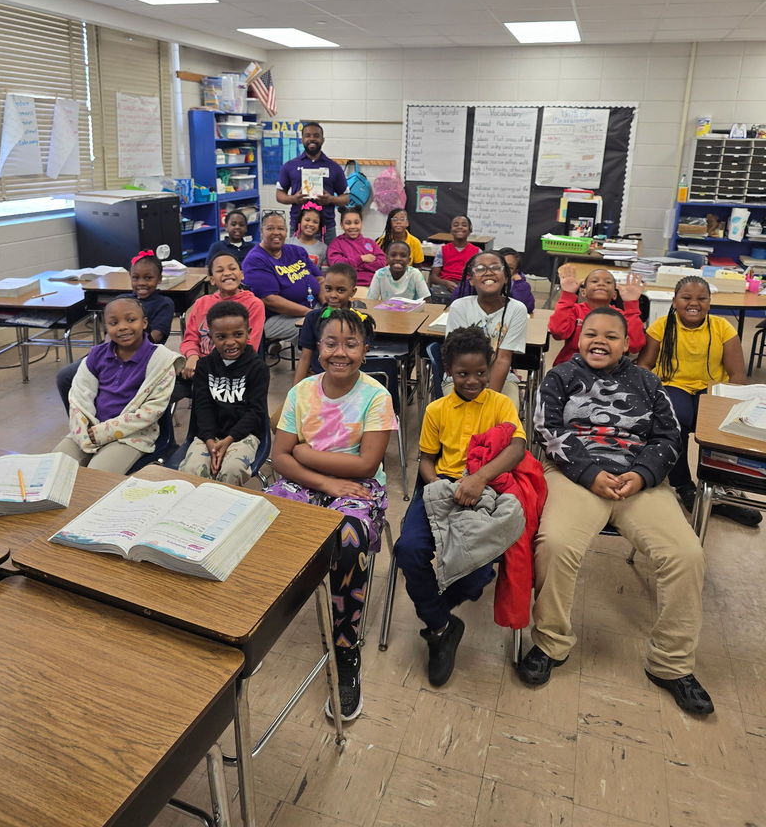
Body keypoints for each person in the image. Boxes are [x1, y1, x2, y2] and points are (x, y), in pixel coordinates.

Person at [521, 306, 713, 716]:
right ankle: (550, 643)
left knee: (686, 554)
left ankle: (671, 664)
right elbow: (546, 428)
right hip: (576, 475)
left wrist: (643, 475)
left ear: (628, 344)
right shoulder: (561, 378)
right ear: (578, 337)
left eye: (611, 336)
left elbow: (669, 435)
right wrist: (590, 472)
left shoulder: (647, 381)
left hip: (638, 482)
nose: (599, 341)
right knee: (554, 542)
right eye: (591, 333)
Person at [266, 308, 396, 721]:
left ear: (366, 349)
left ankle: (345, 646)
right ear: (317, 347)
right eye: (331, 343)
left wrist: (304, 453)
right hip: (313, 480)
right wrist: (320, 480)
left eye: (351, 344)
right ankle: (259, 617)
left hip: (357, 487)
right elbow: (278, 457)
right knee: (265, 517)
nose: (340, 352)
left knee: (349, 536)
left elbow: (364, 465)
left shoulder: (376, 395)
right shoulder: (302, 391)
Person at [395, 326, 527, 686]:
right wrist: (438, 487)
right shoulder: (437, 409)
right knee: (408, 549)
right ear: (449, 372)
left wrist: (479, 478)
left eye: (480, 373)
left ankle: (437, 616)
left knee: (479, 564)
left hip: (484, 490)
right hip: (441, 488)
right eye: (462, 374)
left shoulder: (501, 404)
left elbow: (516, 448)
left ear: (489, 369)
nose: (472, 381)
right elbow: (425, 459)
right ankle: (442, 625)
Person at [637, 275, 759, 527]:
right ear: (674, 301)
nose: (694, 303)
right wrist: (651, 397)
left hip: (712, 387)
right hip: (673, 384)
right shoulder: (661, 326)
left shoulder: (722, 327)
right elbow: (645, 366)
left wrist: (730, 409)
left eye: (702, 298)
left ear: (710, 302)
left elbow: (737, 375)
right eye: (686, 298)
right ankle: (683, 484)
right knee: (676, 419)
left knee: (717, 426)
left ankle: (722, 487)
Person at [53, 295, 182, 472]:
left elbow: (151, 412)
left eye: (131, 320)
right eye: (114, 323)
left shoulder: (160, 360)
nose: (122, 327)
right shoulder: (97, 355)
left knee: (95, 476)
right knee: (53, 469)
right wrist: (82, 429)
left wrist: (104, 432)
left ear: (144, 323)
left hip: (131, 435)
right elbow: (78, 396)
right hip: (91, 429)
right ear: (106, 328)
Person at [55, 250, 175, 413]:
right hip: (111, 354)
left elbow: (156, 336)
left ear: (159, 279)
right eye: (135, 277)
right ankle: (82, 422)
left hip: (143, 358)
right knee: (65, 377)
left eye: (148, 278)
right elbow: (108, 331)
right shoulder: (121, 300)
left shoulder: (164, 303)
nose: (141, 283)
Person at [179, 300, 269, 488]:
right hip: (208, 435)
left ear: (248, 334)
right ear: (211, 337)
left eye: (238, 334)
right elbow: (202, 409)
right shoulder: (204, 366)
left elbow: (255, 412)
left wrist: (228, 441)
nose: (230, 342)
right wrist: (211, 442)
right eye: (221, 336)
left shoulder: (257, 367)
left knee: (231, 470)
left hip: (244, 435)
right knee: (192, 471)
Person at [445, 250, 528, 400]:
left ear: (506, 278)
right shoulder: (459, 307)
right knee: (460, 414)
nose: (489, 272)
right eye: (481, 268)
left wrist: (489, 401)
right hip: (461, 375)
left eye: (496, 268)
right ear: (471, 280)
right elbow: (459, 357)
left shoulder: (517, 310)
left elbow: (503, 359)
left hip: (500, 376)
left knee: (507, 413)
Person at [180, 252, 265, 385]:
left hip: (235, 366)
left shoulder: (254, 304)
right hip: (200, 365)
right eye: (220, 270)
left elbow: (250, 345)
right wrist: (192, 356)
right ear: (212, 279)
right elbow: (190, 338)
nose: (227, 273)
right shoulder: (201, 303)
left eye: (232, 268)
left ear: (241, 274)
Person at [242, 211, 323, 347]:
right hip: (275, 318)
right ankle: (313, 366)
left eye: (281, 228)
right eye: (270, 228)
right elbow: (271, 300)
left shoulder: (296, 251)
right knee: (322, 328)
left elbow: (320, 279)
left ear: (286, 231)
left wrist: (327, 305)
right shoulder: (255, 260)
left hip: (312, 306)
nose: (276, 232)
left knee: (339, 317)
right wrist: (311, 314)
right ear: (261, 232)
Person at [548, 264, 645, 366]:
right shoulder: (575, 310)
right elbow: (558, 332)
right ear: (583, 292)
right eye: (594, 281)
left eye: (608, 282)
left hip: (609, 370)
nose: (601, 284)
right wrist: (567, 295)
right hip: (572, 368)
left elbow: (635, 346)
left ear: (614, 295)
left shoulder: (620, 316)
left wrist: (631, 305)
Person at [275, 121, 349, 243]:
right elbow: (279, 195)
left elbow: (346, 198)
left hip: (326, 228)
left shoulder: (334, 167)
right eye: (308, 135)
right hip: (298, 226)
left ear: (322, 139)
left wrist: (331, 199)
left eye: (316, 135)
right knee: (296, 262)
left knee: (328, 261)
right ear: (302, 139)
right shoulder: (290, 166)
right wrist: (294, 199)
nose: (312, 139)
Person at [293, 263, 358, 384]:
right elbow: (305, 358)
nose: (333, 295)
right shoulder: (312, 318)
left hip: (349, 381)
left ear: (352, 292)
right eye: (328, 289)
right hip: (319, 379)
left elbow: (359, 359)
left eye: (340, 290)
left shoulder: (358, 320)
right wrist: (294, 394)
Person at [450, 248, 535, 313]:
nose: (504, 271)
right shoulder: (478, 280)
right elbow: (456, 302)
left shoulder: (518, 285)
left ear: (516, 272)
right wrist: (474, 281)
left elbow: (527, 308)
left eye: (509, 268)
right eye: (496, 267)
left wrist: (519, 284)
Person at [327, 207, 386, 287]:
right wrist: (361, 259)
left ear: (361, 223)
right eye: (348, 223)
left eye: (356, 222)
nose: (353, 226)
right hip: (347, 287)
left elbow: (382, 264)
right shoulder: (336, 243)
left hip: (373, 286)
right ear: (342, 225)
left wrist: (354, 265)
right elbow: (337, 266)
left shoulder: (370, 243)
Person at [428, 215, 481, 299]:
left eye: (464, 225)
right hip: (445, 287)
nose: (460, 227)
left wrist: (465, 286)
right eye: (456, 225)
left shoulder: (477, 252)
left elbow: (479, 276)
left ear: (470, 230)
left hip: (467, 287)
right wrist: (446, 283)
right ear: (451, 230)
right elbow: (433, 277)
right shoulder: (442, 250)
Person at [286, 202, 327, 269]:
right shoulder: (288, 243)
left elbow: (324, 275)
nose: (311, 224)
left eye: (315, 222)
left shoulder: (323, 248)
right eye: (307, 220)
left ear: (319, 226)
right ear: (300, 221)